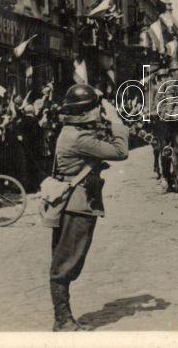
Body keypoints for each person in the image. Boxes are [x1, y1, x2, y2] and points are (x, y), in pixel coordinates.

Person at [49, 84, 128, 331]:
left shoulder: (72, 130)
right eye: (96, 107)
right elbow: (120, 151)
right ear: (85, 111)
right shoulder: (80, 138)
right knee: (65, 264)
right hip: (78, 205)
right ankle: (63, 321)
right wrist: (116, 121)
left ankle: (63, 319)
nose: (99, 111)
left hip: (72, 203)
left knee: (65, 260)